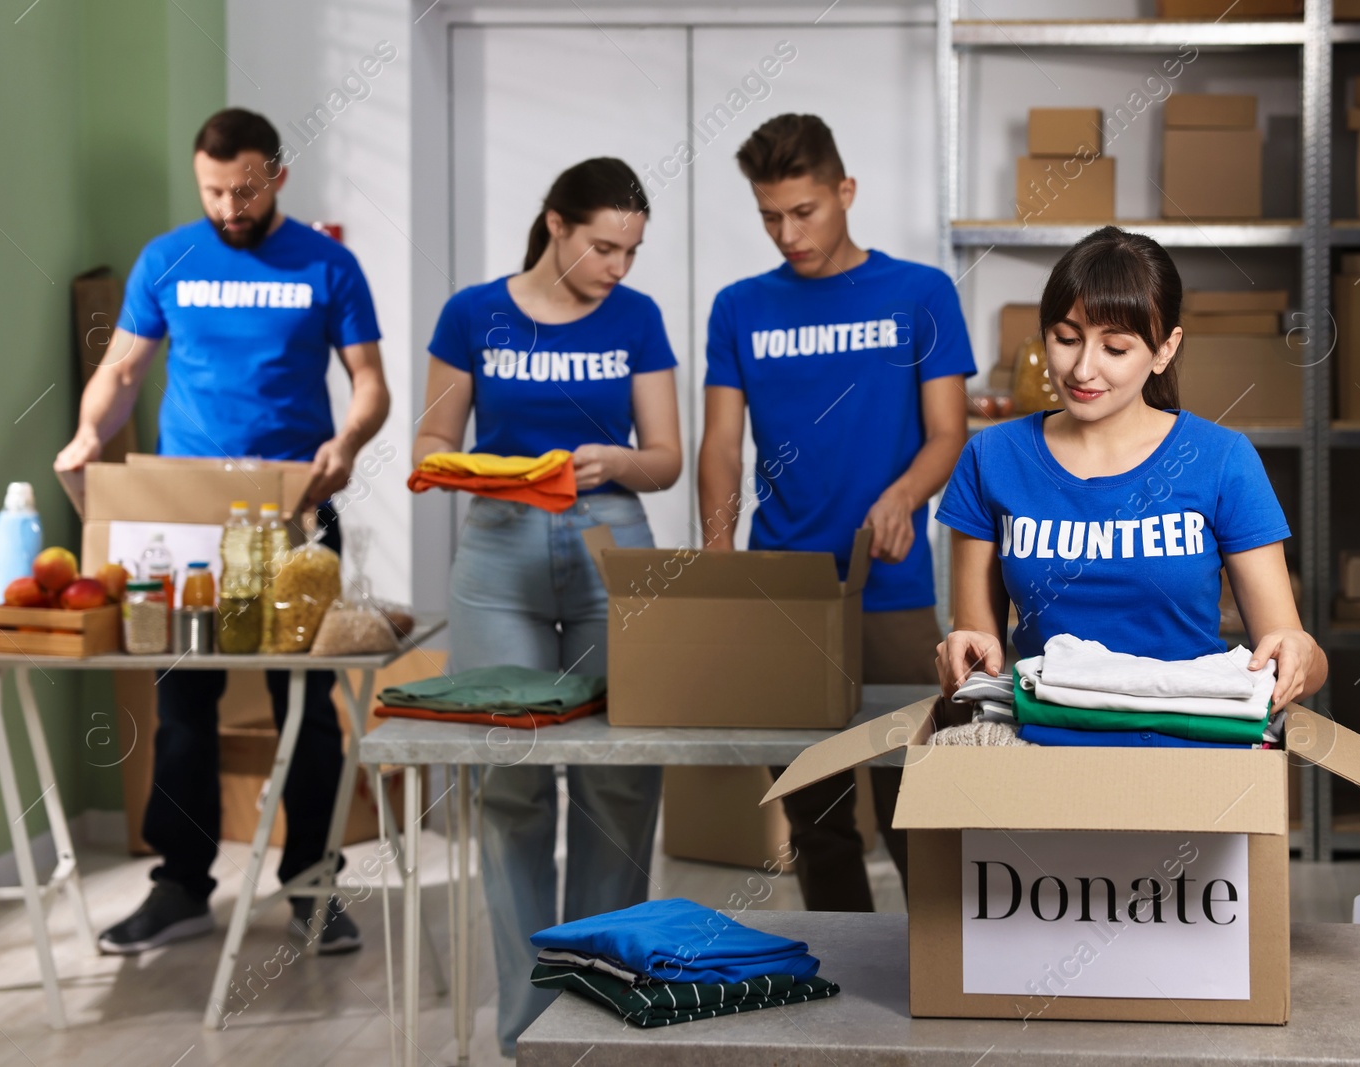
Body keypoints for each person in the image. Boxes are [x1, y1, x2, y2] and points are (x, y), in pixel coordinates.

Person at [54, 108, 390, 955]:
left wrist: (346, 443)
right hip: (186, 516)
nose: (229, 207)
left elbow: (371, 382)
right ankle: (180, 887)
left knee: (307, 711)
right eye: (213, 191)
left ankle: (313, 889)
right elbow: (122, 368)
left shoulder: (328, 262)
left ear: (276, 176)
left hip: (295, 514)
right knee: (182, 710)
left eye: (243, 191)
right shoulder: (167, 259)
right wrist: (92, 434)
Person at [411, 157, 682, 1057]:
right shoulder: (472, 312)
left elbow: (667, 455)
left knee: (619, 773)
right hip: (500, 542)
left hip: (611, 534)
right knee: (511, 779)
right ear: (555, 225)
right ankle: (530, 1031)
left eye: (631, 250)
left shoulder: (636, 318)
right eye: (603, 245)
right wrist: (484, 468)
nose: (618, 266)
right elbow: (434, 439)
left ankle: (601, 1020)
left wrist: (612, 461)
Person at [697, 114, 973, 911]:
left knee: (914, 808)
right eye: (770, 217)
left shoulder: (920, 293)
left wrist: (903, 493)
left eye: (805, 211)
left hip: (889, 588)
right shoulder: (739, 307)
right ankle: (845, 995)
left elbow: (948, 432)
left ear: (844, 192)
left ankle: (942, 979)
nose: (789, 233)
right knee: (815, 819)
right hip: (782, 593)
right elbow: (721, 445)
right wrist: (719, 568)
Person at [933, 225, 1327, 711]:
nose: (1082, 370)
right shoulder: (992, 457)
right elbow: (975, 658)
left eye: (1114, 349)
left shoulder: (1222, 459)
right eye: (1066, 338)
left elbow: (1293, 652)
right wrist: (963, 654)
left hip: (1188, 739)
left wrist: (1299, 652)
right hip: (1048, 741)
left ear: (1164, 349)